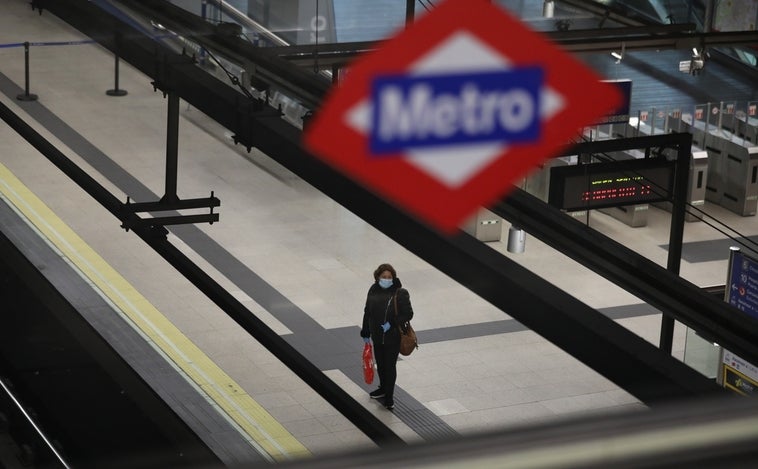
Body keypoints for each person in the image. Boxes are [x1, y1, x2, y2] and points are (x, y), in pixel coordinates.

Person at [360, 263, 413, 410]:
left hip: (392, 337)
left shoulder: (400, 293)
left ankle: (389, 396)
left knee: (390, 366)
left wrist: (392, 323)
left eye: (389, 277)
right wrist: (365, 331)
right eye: (384, 277)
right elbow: (367, 312)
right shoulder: (373, 290)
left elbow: (408, 314)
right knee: (381, 365)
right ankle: (382, 388)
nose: (387, 279)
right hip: (377, 336)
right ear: (377, 277)